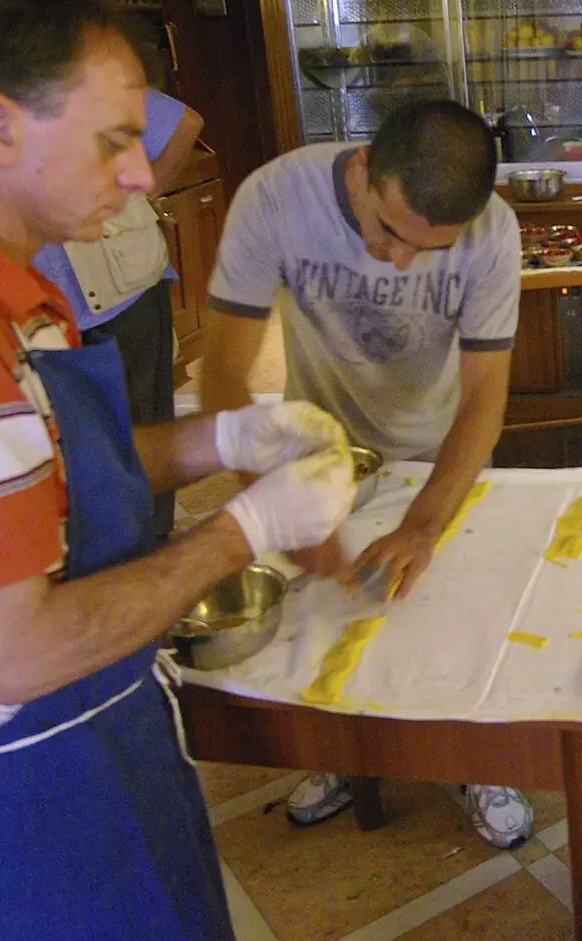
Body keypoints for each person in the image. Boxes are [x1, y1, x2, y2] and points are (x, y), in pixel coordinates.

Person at [0, 0, 357, 939]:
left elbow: (45, 462)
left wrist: (223, 438)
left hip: (84, 721)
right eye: (113, 138)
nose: (138, 171)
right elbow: (20, 650)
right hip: (30, 769)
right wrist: (246, 530)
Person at [200, 100, 533, 844]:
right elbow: (221, 367)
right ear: (360, 173)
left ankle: (474, 755)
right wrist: (269, 500)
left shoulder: (494, 233)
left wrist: (423, 524)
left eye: (429, 248)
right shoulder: (274, 198)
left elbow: (484, 396)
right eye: (389, 231)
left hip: (440, 447)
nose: (400, 260)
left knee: (448, 615)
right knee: (326, 616)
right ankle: (340, 755)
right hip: (319, 452)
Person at [30, 88, 206, 537]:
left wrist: (145, 190)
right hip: (41, 311)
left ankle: (153, 541)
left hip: (124, 289)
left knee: (144, 420)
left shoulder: (84, 66)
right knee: (75, 442)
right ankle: (107, 554)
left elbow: (184, 123)